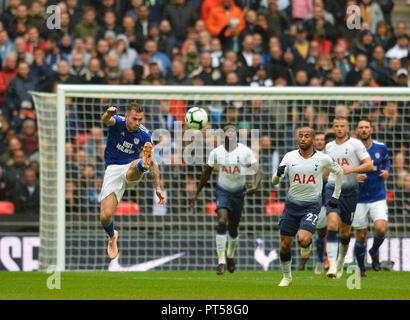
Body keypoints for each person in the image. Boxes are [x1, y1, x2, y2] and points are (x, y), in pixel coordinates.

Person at [273, 127, 343, 286]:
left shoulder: (323, 158)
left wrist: (335, 196)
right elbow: (274, 182)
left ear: (312, 140)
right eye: (300, 136)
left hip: (311, 205)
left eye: (307, 136)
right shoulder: (289, 157)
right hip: (291, 206)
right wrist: (277, 175)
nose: (303, 139)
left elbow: (339, 172)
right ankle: (287, 277)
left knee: (303, 239)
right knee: (285, 244)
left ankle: (309, 243)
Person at [189, 123, 262, 275]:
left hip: (238, 192)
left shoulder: (245, 151)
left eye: (234, 132)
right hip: (223, 190)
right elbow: (206, 173)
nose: (231, 135)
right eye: (228, 133)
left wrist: (255, 185)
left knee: (233, 228)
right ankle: (221, 261)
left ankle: (230, 256)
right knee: (222, 220)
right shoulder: (216, 152)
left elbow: (258, 170)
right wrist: (196, 194)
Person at [99, 102, 166, 259]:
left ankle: (143, 164)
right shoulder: (118, 122)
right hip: (113, 169)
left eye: (140, 119)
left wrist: (158, 188)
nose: (137, 123)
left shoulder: (144, 134)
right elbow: (105, 121)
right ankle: (112, 236)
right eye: (135, 119)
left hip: (132, 167)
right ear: (127, 116)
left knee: (138, 164)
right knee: (105, 216)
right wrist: (108, 114)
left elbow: (155, 164)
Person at [324, 116, 374, 279]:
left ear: (347, 128)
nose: (339, 129)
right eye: (336, 126)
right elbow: (326, 169)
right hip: (332, 188)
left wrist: (350, 171)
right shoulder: (329, 146)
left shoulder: (356, 144)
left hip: (350, 192)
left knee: (345, 233)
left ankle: (340, 260)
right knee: (332, 224)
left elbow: (369, 165)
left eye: (342, 126)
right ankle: (331, 265)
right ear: (333, 127)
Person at [353, 119, 390, 277]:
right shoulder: (351, 150)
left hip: (377, 196)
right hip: (358, 199)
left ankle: (374, 251)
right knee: (360, 235)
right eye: (361, 127)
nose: (364, 130)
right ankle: (361, 269)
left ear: (371, 130)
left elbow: (386, 160)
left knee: (381, 229)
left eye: (366, 127)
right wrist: (355, 175)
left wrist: (387, 171)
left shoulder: (380, 147)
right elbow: (344, 169)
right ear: (357, 130)